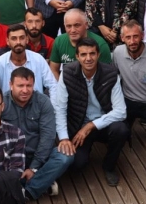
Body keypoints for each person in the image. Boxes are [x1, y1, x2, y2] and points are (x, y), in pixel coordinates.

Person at [53, 38, 128, 186]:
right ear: (77, 56)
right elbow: (60, 108)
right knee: (76, 164)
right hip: (78, 125)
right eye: (83, 54)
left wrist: (91, 125)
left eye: (92, 54)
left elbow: (121, 111)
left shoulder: (111, 73)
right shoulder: (67, 73)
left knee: (121, 129)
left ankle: (109, 166)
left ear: (98, 55)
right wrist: (64, 138)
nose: (88, 58)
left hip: (102, 123)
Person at [1, 67, 72, 199]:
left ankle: (28, 192)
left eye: (29, 85)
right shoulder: (1, 103)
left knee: (65, 156)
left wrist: (34, 167)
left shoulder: (43, 101)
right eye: (20, 85)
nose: (25, 90)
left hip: (38, 155)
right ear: (11, 85)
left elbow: (48, 136)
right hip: (11, 158)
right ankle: (43, 182)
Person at [0, 24, 58, 95]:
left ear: (27, 39)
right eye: (14, 38)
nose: (18, 42)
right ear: (7, 41)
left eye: (22, 38)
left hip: (36, 102)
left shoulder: (38, 59)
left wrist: (52, 102)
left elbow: (53, 85)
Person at [48, 9, 112, 80]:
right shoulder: (59, 41)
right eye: (68, 26)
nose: (73, 30)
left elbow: (106, 74)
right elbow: (53, 70)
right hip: (67, 83)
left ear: (86, 25)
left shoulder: (100, 44)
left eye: (77, 25)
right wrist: (60, 86)